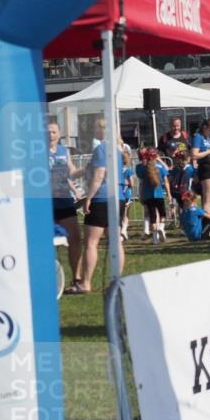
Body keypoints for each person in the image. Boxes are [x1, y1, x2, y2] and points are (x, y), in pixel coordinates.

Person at [67, 118, 125, 294]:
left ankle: (85, 283)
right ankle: (117, 281)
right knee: (115, 241)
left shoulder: (101, 148)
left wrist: (89, 198)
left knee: (91, 243)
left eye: (95, 128)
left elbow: (99, 175)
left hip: (101, 198)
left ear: (102, 130)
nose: (94, 131)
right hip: (118, 197)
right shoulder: (117, 149)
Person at [48, 120, 83, 288]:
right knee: (48, 242)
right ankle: (48, 278)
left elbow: (72, 172)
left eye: (53, 132)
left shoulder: (64, 151)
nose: (50, 135)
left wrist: (88, 170)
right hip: (45, 202)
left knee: (74, 238)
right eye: (47, 132)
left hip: (64, 201)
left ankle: (76, 277)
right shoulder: (38, 151)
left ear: (59, 134)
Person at [136, 147, 171, 244]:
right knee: (163, 215)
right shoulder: (160, 167)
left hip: (147, 195)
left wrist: (141, 195)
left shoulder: (142, 168)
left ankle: (155, 240)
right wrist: (169, 194)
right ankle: (161, 227)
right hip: (159, 195)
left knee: (152, 217)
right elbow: (166, 180)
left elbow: (141, 182)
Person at [120, 150, 135, 240]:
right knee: (126, 214)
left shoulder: (116, 171)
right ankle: (124, 230)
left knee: (119, 214)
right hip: (126, 194)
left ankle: (121, 231)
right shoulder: (129, 171)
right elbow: (132, 184)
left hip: (118, 195)